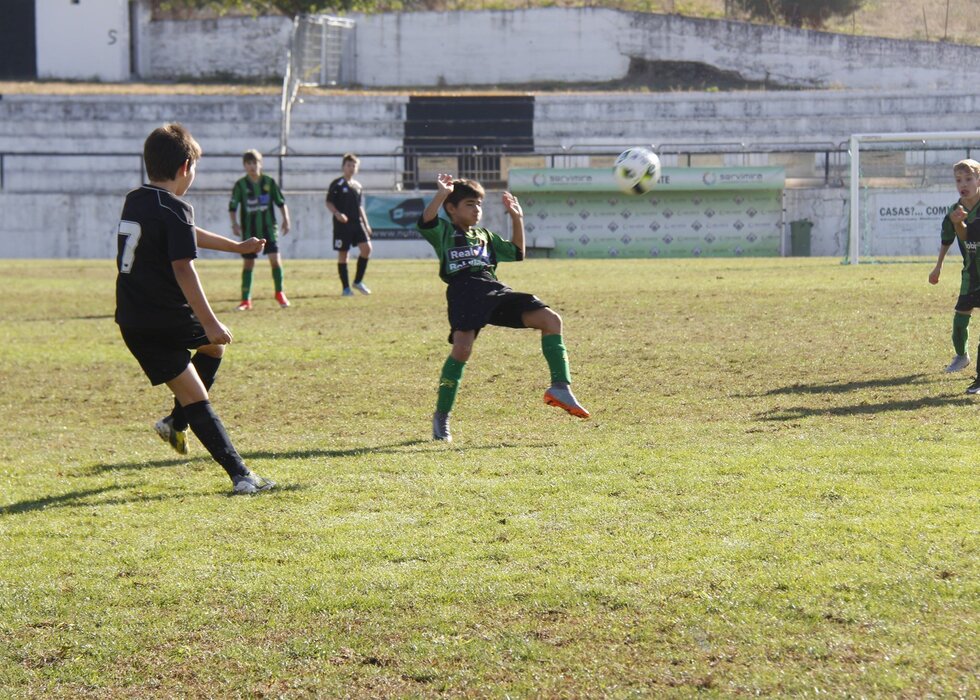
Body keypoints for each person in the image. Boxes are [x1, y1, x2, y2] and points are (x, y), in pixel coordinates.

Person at [116, 123, 274, 494]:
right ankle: (242, 477)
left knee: (212, 348)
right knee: (196, 394)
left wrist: (237, 247)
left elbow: (184, 229)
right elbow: (184, 267)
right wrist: (212, 320)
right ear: (186, 167)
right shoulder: (175, 208)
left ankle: (175, 423)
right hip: (160, 320)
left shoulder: (136, 199)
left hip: (136, 313)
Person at [417, 173, 590, 442]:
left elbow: (518, 253)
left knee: (550, 319)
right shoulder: (444, 231)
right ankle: (442, 417)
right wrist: (441, 194)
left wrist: (516, 218)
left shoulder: (484, 236)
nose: (477, 210)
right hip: (464, 291)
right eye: (470, 204)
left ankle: (560, 386)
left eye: (479, 204)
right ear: (451, 208)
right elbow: (426, 220)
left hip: (493, 288)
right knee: (462, 350)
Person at [931, 159, 980, 377]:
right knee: (960, 317)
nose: (964, 184)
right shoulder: (954, 211)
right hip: (971, 273)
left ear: (979, 179)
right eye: (959, 180)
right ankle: (962, 356)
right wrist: (937, 267)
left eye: (969, 179)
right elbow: (947, 239)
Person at [228, 149, 291, 310]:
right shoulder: (240, 185)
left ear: (260, 164)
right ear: (244, 166)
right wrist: (234, 223)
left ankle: (279, 293)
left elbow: (281, 202)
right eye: (248, 163)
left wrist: (286, 219)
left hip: (269, 230)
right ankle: (246, 300)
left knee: (275, 261)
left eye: (254, 162)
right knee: (248, 264)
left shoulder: (269, 182)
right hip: (250, 232)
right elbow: (233, 206)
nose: (252, 166)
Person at [325, 153, 373, 296]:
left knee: (367, 249)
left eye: (354, 165)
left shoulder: (357, 186)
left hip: (357, 223)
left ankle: (357, 281)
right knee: (343, 254)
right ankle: (346, 288)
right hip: (342, 225)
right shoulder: (337, 184)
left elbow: (360, 206)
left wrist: (366, 223)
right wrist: (337, 214)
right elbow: (328, 202)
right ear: (343, 167)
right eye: (348, 165)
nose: (351, 168)